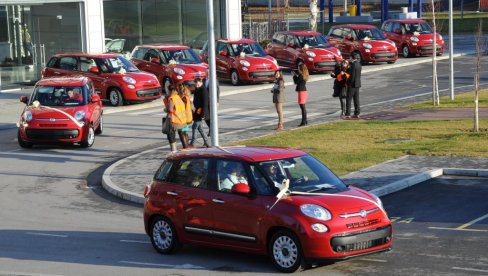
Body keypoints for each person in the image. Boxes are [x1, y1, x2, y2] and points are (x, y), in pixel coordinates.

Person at [164, 86, 187, 152]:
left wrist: (165, 109)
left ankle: (174, 151)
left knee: (171, 136)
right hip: (181, 120)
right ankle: (185, 149)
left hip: (174, 121)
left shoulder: (172, 98)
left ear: (170, 91)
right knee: (182, 135)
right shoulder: (178, 97)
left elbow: (170, 109)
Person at [190, 78, 210, 147]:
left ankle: (192, 143)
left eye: (197, 83)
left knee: (194, 127)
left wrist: (203, 114)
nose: (196, 84)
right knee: (200, 128)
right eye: (195, 83)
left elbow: (205, 103)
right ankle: (206, 142)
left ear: (201, 82)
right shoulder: (197, 89)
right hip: (197, 112)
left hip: (201, 112)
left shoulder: (203, 90)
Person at [177, 82, 193, 149]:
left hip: (182, 118)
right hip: (188, 117)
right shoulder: (187, 97)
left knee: (181, 132)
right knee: (184, 132)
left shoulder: (183, 98)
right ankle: (187, 145)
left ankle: (185, 146)